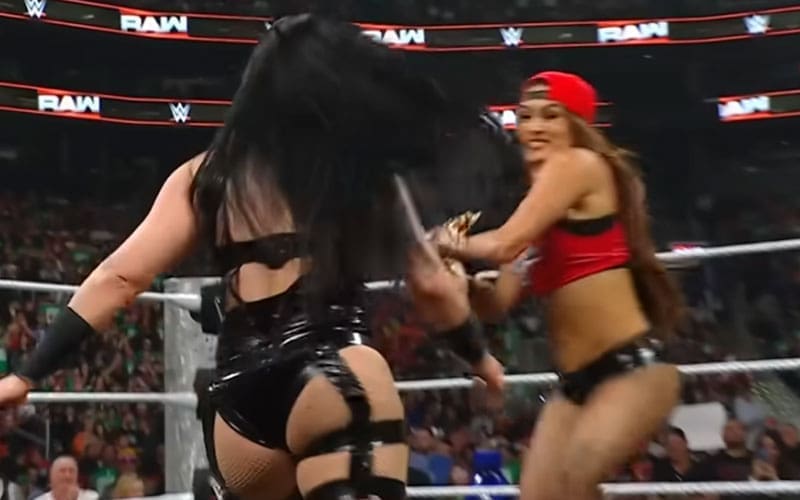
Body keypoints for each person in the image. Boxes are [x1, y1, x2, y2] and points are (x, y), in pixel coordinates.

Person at [0, 14, 506, 500]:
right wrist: (480, 358)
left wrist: (28, 374)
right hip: (331, 376)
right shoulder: (360, 172)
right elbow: (432, 285)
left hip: (239, 413)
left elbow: (118, 277)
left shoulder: (205, 175)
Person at [436, 71, 684, 499]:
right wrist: (468, 284)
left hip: (631, 371)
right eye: (525, 116)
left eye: (551, 115)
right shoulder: (536, 212)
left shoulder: (578, 164)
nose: (535, 127)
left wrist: (442, 242)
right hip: (574, 385)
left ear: (576, 124)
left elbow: (502, 243)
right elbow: (497, 304)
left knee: (575, 479)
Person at [33, 456, 98, 500]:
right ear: (52, 476)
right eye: (62, 471)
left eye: (71, 471)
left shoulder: (93, 497)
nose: (67, 475)